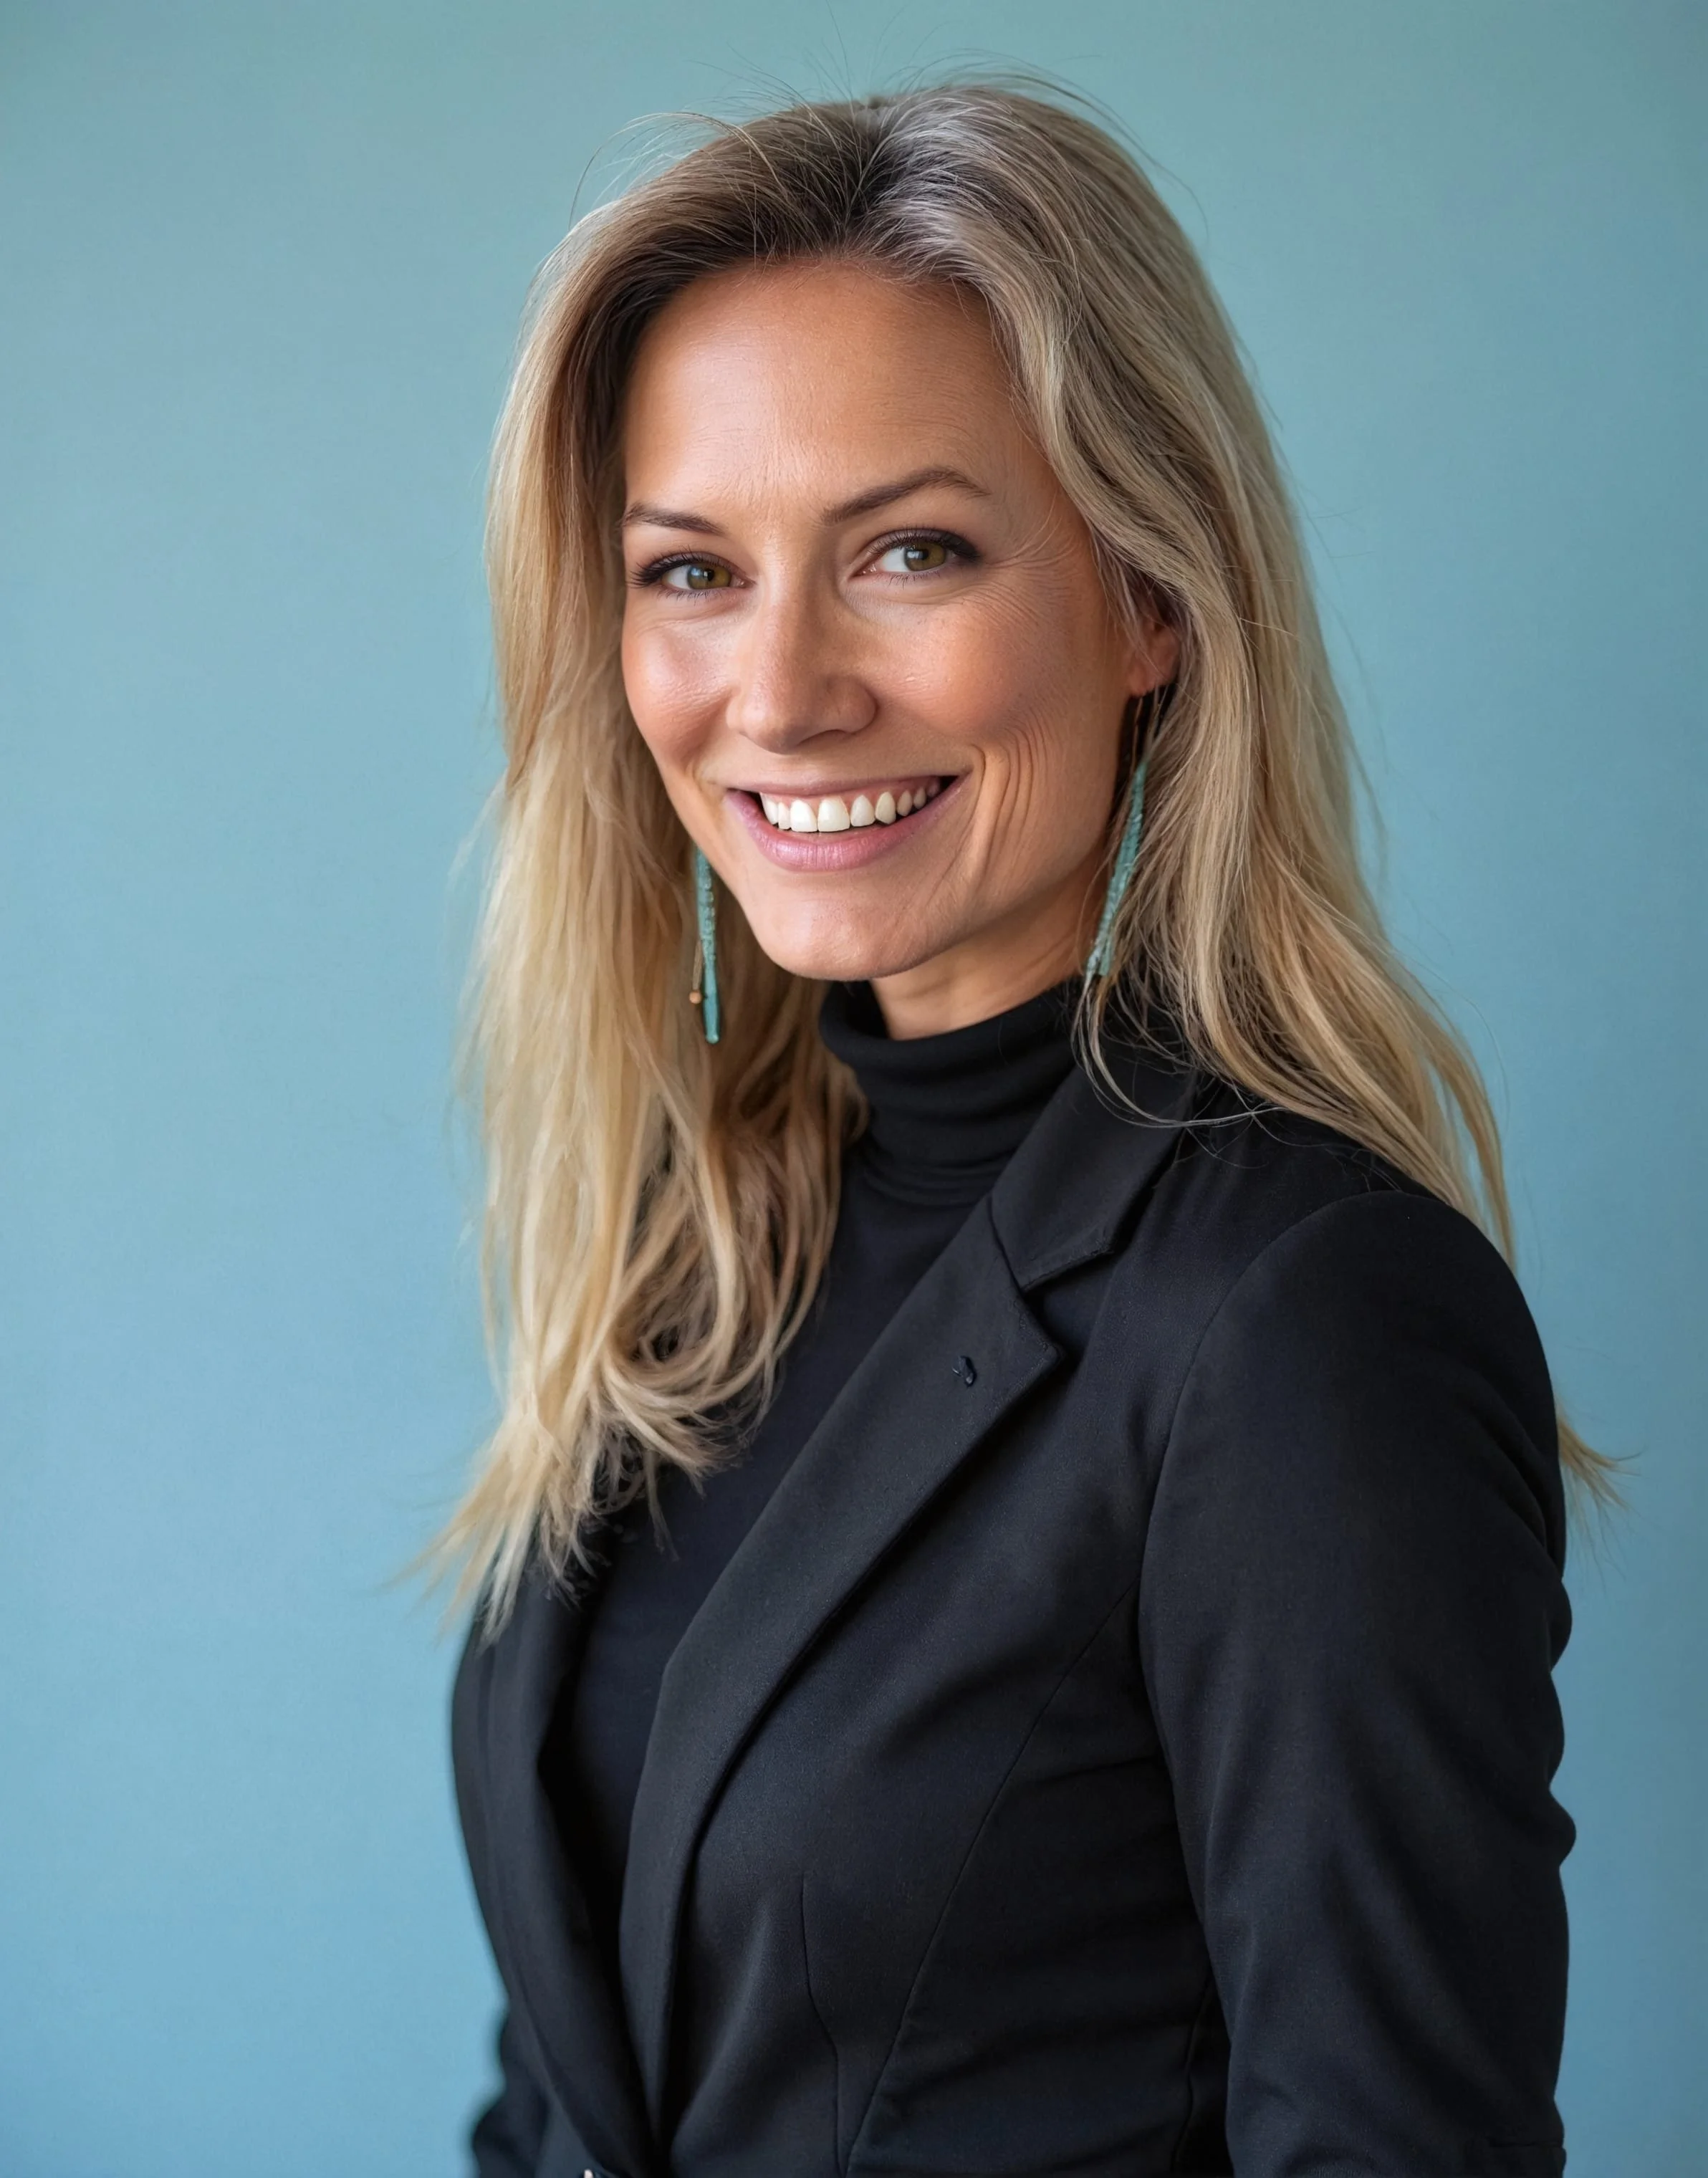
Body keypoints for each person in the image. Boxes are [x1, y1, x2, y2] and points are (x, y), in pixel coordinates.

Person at [438, 82, 1613, 2178]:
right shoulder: (706, 1256)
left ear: (1152, 599)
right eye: (692, 570)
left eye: (910, 551)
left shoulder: (1300, 1319)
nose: (780, 692)